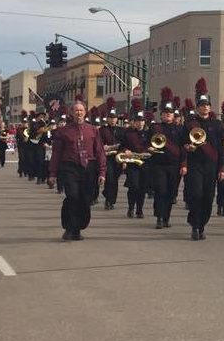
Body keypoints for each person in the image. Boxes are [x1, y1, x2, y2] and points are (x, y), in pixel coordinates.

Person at [47, 97, 106, 241]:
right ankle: (69, 228)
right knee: (72, 197)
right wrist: (52, 174)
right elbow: (56, 154)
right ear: (72, 113)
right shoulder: (63, 131)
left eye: (81, 110)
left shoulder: (93, 130)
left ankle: (78, 228)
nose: (79, 113)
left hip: (88, 168)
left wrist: (102, 172)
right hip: (70, 168)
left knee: (85, 200)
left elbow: (99, 152)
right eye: (76, 110)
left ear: (85, 113)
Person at [180, 79, 224, 241]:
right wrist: (187, 150)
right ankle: (194, 225)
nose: (205, 107)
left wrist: (222, 168)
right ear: (197, 106)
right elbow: (182, 144)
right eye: (202, 104)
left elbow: (221, 148)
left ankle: (202, 225)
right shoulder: (189, 124)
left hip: (211, 166)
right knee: (196, 195)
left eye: (207, 104)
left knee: (208, 198)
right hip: (195, 165)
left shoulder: (217, 125)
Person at [147, 88, 184, 230]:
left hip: (174, 166)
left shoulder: (179, 129)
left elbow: (182, 148)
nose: (167, 115)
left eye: (170, 113)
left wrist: (183, 164)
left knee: (171, 192)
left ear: (173, 115)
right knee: (160, 191)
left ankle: (167, 217)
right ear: (161, 114)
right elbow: (147, 143)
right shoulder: (155, 128)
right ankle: (159, 217)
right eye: (165, 113)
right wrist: (148, 148)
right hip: (159, 165)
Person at [118, 100, 150, 219]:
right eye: (138, 121)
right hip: (132, 163)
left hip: (145, 163)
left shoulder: (148, 133)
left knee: (142, 188)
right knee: (133, 186)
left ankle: (139, 210)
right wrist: (125, 150)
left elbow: (152, 145)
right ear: (134, 122)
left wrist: (148, 150)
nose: (140, 123)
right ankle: (131, 207)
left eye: (142, 121)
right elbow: (122, 146)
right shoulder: (128, 133)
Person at [96, 99, 122, 210]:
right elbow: (98, 143)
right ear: (107, 119)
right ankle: (108, 200)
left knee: (115, 179)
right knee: (110, 178)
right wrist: (105, 147)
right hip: (107, 157)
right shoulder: (102, 130)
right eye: (111, 118)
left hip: (118, 157)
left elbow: (124, 144)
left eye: (114, 118)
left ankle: (112, 199)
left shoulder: (121, 130)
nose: (113, 120)